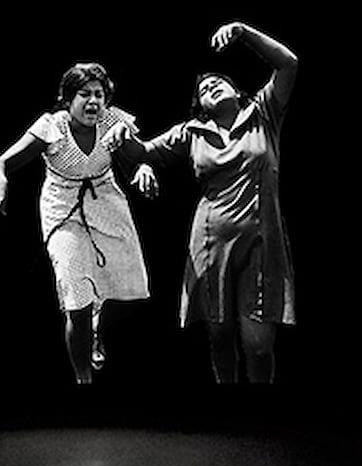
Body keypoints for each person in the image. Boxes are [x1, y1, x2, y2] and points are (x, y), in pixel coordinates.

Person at [109, 21, 297, 383]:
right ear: (201, 107)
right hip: (211, 242)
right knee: (220, 336)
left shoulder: (264, 113)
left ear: (237, 92)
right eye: (204, 89)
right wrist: (121, 135)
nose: (211, 86)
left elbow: (289, 63)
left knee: (258, 346)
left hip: (261, 242)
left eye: (218, 82)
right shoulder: (191, 131)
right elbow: (142, 152)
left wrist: (243, 32)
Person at [0, 62, 158, 385]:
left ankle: (98, 328)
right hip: (63, 209)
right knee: (76, 300)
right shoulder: (51, 126)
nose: (93, 101)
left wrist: (143, 168)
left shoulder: (113, 121)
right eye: (85, 94)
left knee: (130, 290)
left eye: (99, 94)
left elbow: (138, 157)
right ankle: (83, 379)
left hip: (107, 201)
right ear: (68, 99)